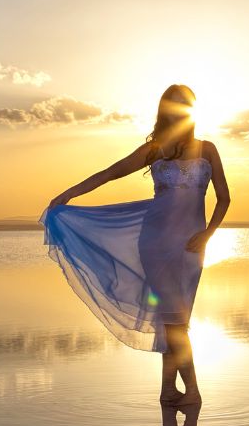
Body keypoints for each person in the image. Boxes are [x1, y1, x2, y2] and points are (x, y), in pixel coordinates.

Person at [39, 84, 230, 406]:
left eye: (185, 105)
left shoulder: (207, 149)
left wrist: (209, 233)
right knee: (175, 321)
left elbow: (224, 198)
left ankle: (169, 390)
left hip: (192, 246)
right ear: (164, 111)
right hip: (155, 243)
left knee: (175, 322)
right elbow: (110, 173)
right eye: (174, 105)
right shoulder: (154, 150)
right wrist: (68, 194)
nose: (178, 111)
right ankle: (192, 392)